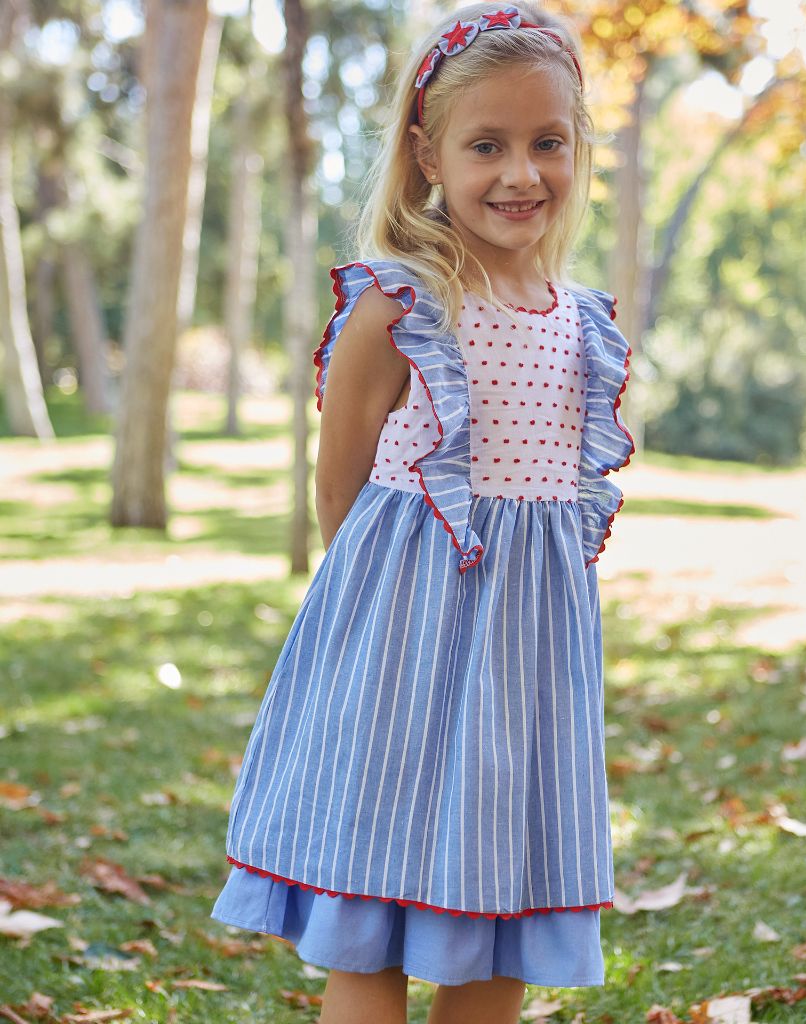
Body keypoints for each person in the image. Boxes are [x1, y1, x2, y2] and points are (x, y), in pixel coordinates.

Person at [209, 3, 634, 1021]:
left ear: (579, 148)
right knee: (373, 912)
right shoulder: (399, 306)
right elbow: (340, 489)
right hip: (397, 651)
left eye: (548, 142)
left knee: (500, 919)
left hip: (526, 670)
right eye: (487, 145)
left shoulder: (582, 325)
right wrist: (389, 618)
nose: (521, 173)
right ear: (427, 152)